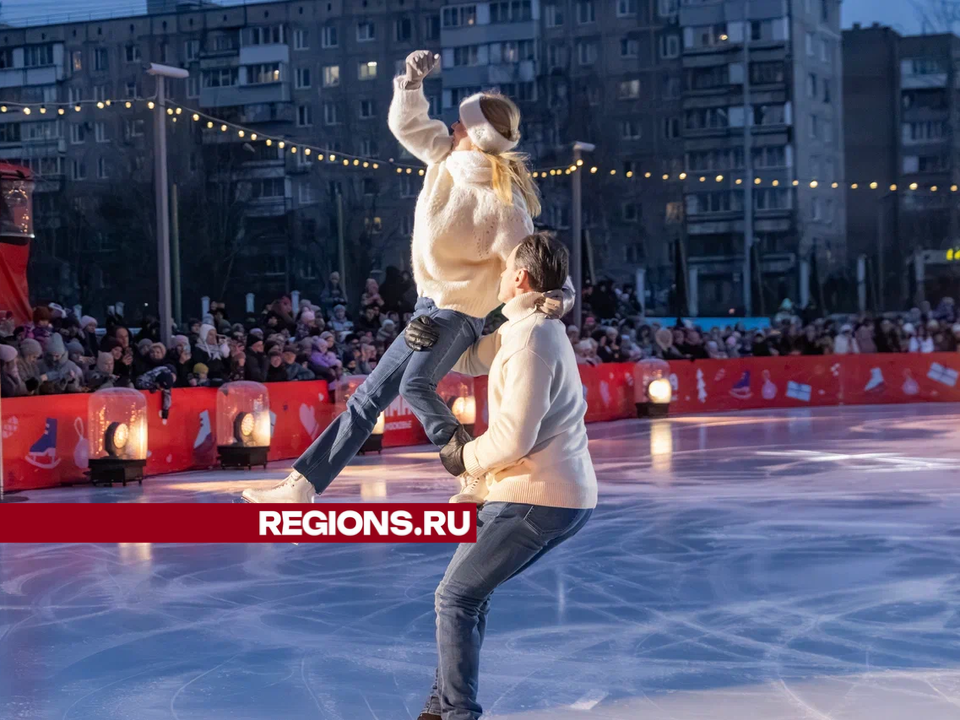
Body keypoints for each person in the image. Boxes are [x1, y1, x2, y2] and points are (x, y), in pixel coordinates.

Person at [242, 49, 570, 505]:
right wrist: (410, 85)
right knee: (367, 398)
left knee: (415, 386)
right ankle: (300, 486)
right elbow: (411, 127)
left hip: (459, 311)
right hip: (430, 307)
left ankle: (470, 469)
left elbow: (530, 260)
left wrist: (560, 295)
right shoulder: (444, 160)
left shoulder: (501, 201)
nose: (452, 126)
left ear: (475, 135)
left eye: (461, 123)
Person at [405, 232, 596, 720]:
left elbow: (514, 437)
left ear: (519, 277)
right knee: (467, 594)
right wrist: (422, 339)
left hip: (539, 495)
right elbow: (470, 359)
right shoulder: (522, 329)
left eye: (503, 267)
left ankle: (455, 713)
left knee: (456, 595)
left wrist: (462, 459)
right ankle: (440, 706)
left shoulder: (533, 337)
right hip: (543, 491)